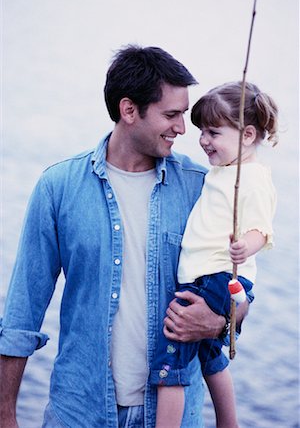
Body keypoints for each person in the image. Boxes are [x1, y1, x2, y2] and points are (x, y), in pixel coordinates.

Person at [0, 45, 231, 428]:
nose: (183, 128)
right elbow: (22, 314)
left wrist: (219, 323)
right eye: (171, 115)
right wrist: (5, 415)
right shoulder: (58, 188)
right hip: (78, 413)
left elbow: (239, 295)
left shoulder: (202, 189)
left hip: (172, 415)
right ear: (129, 110)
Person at [150, 81, 278, 428]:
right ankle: (229, 422)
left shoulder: (251, 178)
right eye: (202, 131)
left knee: (171, 356)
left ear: (247, 135)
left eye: (214, 132)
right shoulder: (224, 172)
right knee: (209, 356)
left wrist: (245, 247)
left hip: (219, 275)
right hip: (206, 275)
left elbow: (261, 229)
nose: (204, 140)